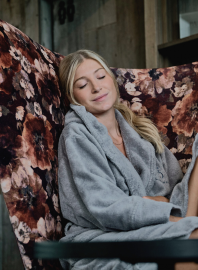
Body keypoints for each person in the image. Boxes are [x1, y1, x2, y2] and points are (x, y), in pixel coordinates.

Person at [57, 49, 198, 270]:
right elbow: (104, 206)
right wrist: (155, 207)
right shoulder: (76, 136)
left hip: (158, 222)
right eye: (83, 85)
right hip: (104, 236)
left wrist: (166, 209)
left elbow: (173, 188)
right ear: (73, 97)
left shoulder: (140, 133)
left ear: (112, 81)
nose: (96, 87)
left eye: (101, 76)